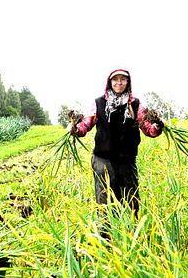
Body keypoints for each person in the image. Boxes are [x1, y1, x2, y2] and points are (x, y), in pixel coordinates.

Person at [69, 68, 164, 235]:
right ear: (109, 82)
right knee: (105, 198)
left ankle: (132, 232)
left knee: (131, 197)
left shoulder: (135, 105)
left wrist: (157, 126)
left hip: (126, 159)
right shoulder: (98, 103)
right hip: (103, 159)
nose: (119, 83)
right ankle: (105, 236)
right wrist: (76, 128)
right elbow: (86, 124)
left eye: (123, 80)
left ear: (128, 83)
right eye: (115, 80)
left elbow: (147, 128)